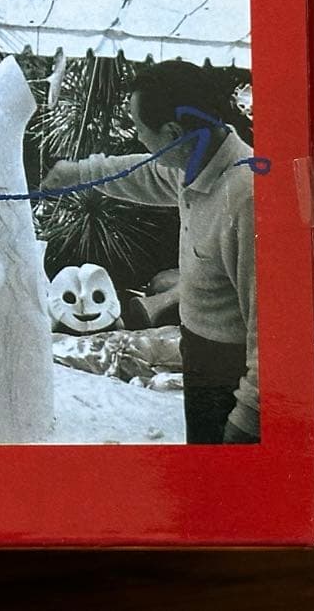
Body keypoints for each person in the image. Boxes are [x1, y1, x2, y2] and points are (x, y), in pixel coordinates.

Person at [42, 61, 258, 444]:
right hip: (200, 355)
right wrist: (76, 173)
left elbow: (272, 332)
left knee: (228, 472)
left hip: (233, 372)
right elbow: (146, 174)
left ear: (173, 133)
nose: (138, 138)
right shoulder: (196, 157)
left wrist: (248, 418)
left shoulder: (246, 197)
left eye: (140, 128)